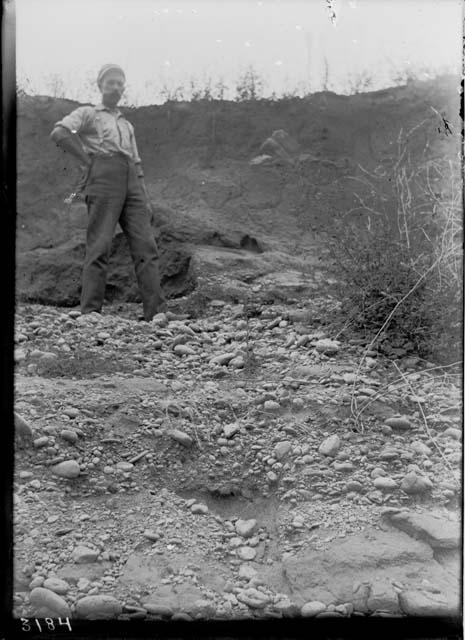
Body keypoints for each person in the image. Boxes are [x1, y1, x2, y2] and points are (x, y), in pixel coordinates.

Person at [50, 63, 166, 321]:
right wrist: (87, 161)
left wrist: (144, 198)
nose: (116, 87)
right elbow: (59, 132)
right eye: (111, 82)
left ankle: (156, 313)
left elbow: (136, 162)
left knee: (146, 246)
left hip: (132, 181)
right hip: (103, 175)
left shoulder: (127, 124)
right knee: (100, 245)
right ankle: (91, 312)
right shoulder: (89, 114)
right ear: (100, 85)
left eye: (120, 83)